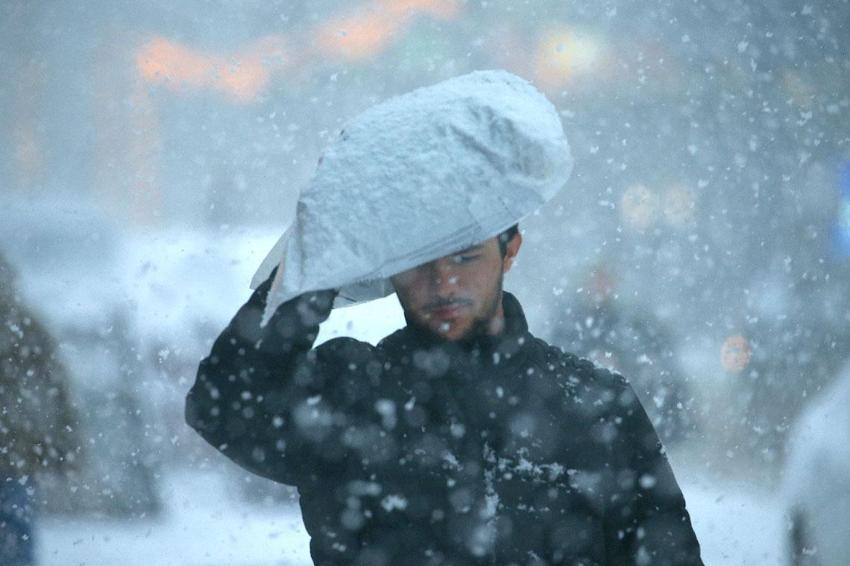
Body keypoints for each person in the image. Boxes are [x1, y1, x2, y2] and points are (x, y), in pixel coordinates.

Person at [186, 224, 703, 565]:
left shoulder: (594, 403)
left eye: (465, 256)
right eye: (418, 261)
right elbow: (223, 406)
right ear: (388, 267)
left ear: (511, 250)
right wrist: (321, 250)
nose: (442, 282)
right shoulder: (353, 390)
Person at [1, 252, 79, 565]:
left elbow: (56, 388)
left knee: (17, 527)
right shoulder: (28, 326)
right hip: (16, 451)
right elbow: (57, 388)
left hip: (15, 452)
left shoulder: (28, 327)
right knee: (17, 529)